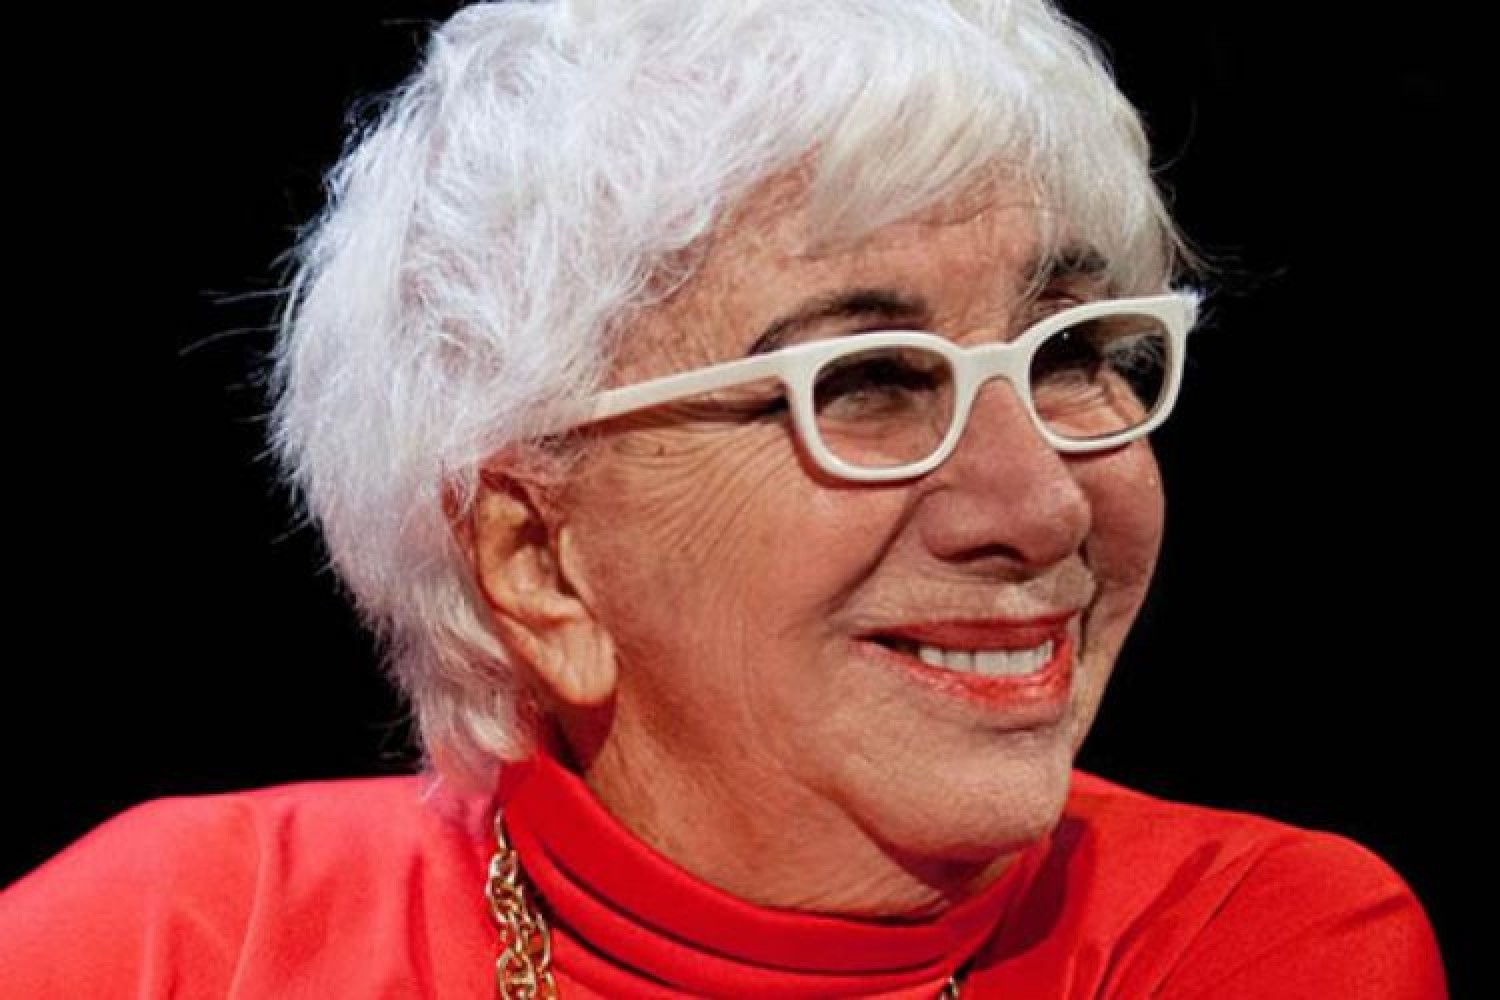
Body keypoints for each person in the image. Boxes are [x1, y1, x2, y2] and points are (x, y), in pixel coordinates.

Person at [2, 1, 1447, 996]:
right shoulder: (159, 945)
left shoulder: (1250, 941)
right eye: (867, 382)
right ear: (540, 561)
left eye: (1070, 353)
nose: (1042, 507)